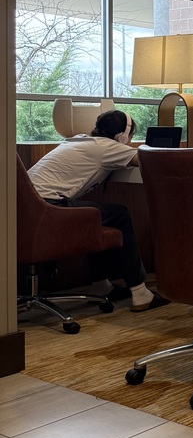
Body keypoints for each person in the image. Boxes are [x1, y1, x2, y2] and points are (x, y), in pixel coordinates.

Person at [26, 109, 163, 312]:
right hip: (49, 207)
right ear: (122, 136)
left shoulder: (79, 140)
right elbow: (149, 159)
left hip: (27, 209)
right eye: (131, 136)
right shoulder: (107, 147)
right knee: (120, 214)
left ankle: (101, 286)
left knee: (96, 216)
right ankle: (140, 292)